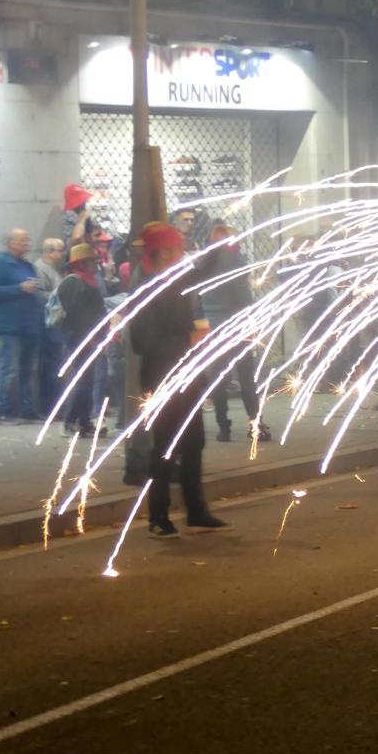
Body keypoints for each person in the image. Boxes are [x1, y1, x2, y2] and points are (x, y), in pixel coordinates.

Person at [129, 221, 229, 539]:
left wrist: (216, 247)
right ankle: (158, 517)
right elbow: (142, 341)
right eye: (176, 249)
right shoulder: (146, 286)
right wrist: (189, 338)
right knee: (165, 446)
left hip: (187, 375)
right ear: (163, 253)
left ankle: (196, 510)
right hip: (162, 377)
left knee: (194, 441)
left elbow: (200, 272)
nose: (182, 254)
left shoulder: (175, 277)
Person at [195, 222, 270, 443]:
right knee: (246, 376)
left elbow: (197, 297)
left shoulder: (203, 263)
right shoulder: (235, 261)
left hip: (213, 326)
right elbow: (243, 296)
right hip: (237, 324)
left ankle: (223, 427)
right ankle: (255, 424)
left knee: (218, 377)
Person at [0, 229, 43, 424]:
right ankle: (3, 409)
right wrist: (19, 288)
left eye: (27, 240)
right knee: (8, 368)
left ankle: (27, 409)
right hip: (10, 325)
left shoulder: (27, 265)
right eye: (21, 240)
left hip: (29, 325)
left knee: (27, 369)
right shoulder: (1, 264)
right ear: (10, 243)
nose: (25, 244)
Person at [57, 243, 107, 436]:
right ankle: (70, 421)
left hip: (90, 337)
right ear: (82, 263)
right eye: (92, 262)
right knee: (82, 380)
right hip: (80, 338)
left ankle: (84, 421)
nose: (96, 265)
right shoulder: (74, 282)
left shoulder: (90, 281)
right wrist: (92, 336)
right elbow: (78, 314)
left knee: (88, 379)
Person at [34, 238, 66, 419]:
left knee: (55, 365)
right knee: (50, 366)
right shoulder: (40, 268)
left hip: (55, 323)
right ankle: (49, 407)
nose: (62, 254)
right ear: (49, 252)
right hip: (48, 324)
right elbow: (40, 295)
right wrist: (59, 296)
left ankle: (55, 405)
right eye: (60, 250)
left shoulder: (53, 269)